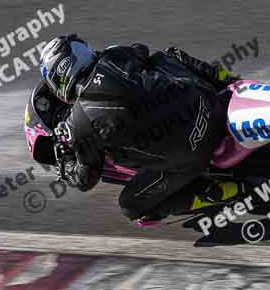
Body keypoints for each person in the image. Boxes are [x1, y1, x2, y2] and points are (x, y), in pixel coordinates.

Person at [39, 34, 243, 222]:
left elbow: (86, 179)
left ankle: (229, 190)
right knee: (167, 56)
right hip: (209, 105)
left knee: (130, 206)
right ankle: (230, 81)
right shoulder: (116, 54)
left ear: (59, 78)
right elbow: (141, 50)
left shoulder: (78, 125)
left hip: (194, 155)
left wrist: (67, 165)